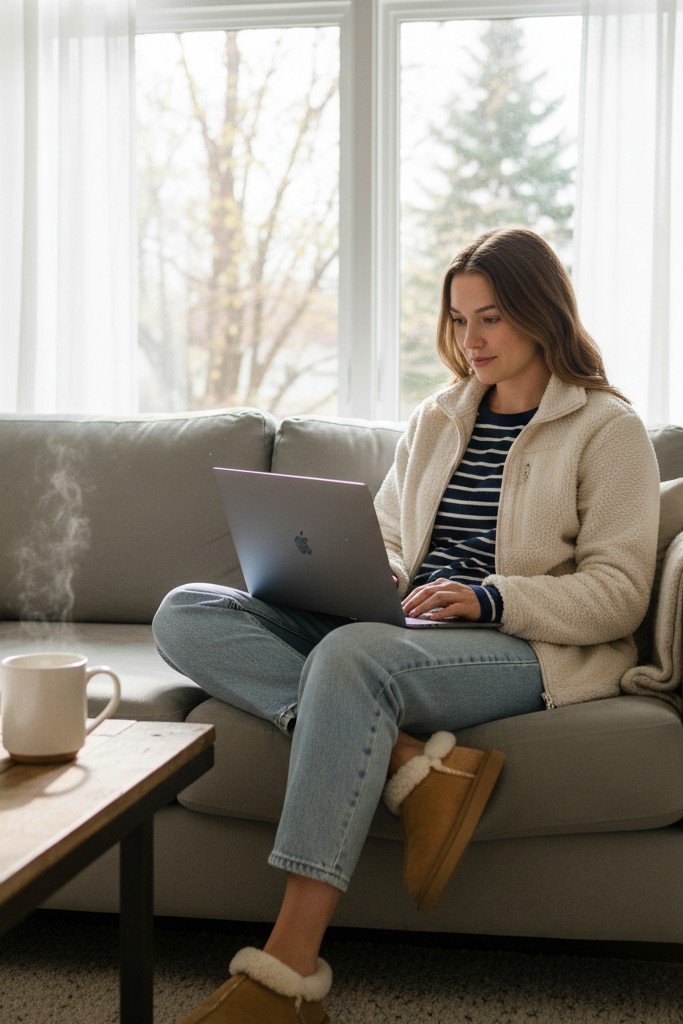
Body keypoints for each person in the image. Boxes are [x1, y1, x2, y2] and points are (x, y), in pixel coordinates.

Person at [152, 226, 660, 1024]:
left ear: (540, 313)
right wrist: (380, 576)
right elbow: (391, 532)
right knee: (185, 610)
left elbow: (618, 592)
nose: (471, 340)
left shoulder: (607, 430)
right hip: (404, 630)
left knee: (351, 659)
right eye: (459, 320)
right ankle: (404, 760)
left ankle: (284, 973)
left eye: (490, 318)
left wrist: (487, 597)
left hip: (523, 645)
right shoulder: (436, 418)